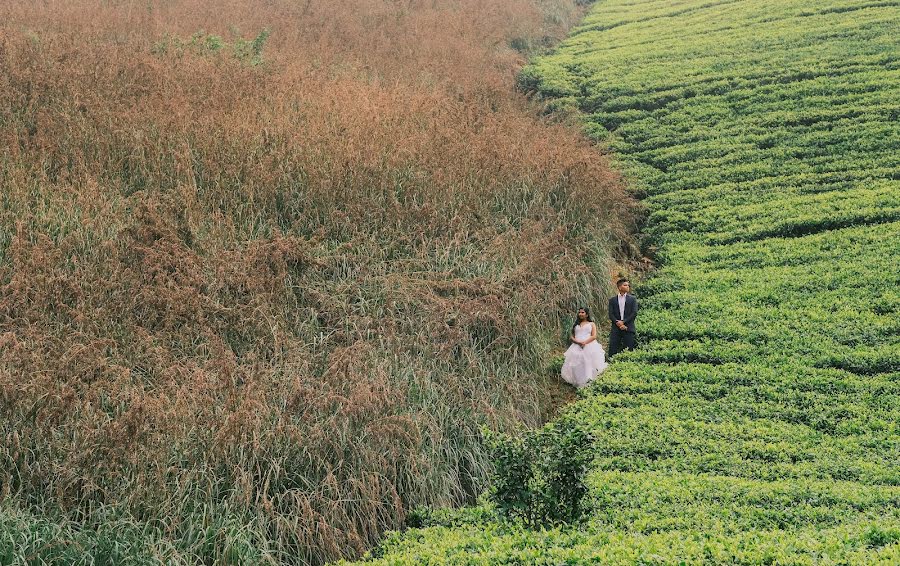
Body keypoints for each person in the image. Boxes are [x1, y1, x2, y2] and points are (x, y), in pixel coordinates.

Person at [561, 307, 608, 388]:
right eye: (579, 312)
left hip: (589, 344)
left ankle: (589, 381)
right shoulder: (576, 325)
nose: (580, 314)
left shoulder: (591, 324)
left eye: (582, 312)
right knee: (577, 363)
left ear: (587, 314)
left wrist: (584, 342)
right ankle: (579, 381)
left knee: (588, 362)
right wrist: (578, 342)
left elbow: (594, 336)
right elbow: (572, 336)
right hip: (576, 345)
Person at [608, 278, 638, 358]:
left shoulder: (632, 299)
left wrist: (623, 322)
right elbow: (611, 314)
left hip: (628, 327)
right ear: (619, 287)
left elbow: (634, 313)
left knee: (629, 350)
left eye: (628, 285)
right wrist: (618, 323)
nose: (628, 286)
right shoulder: (612, 300)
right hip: (616, 328)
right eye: (625, 285)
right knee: (613, 350)